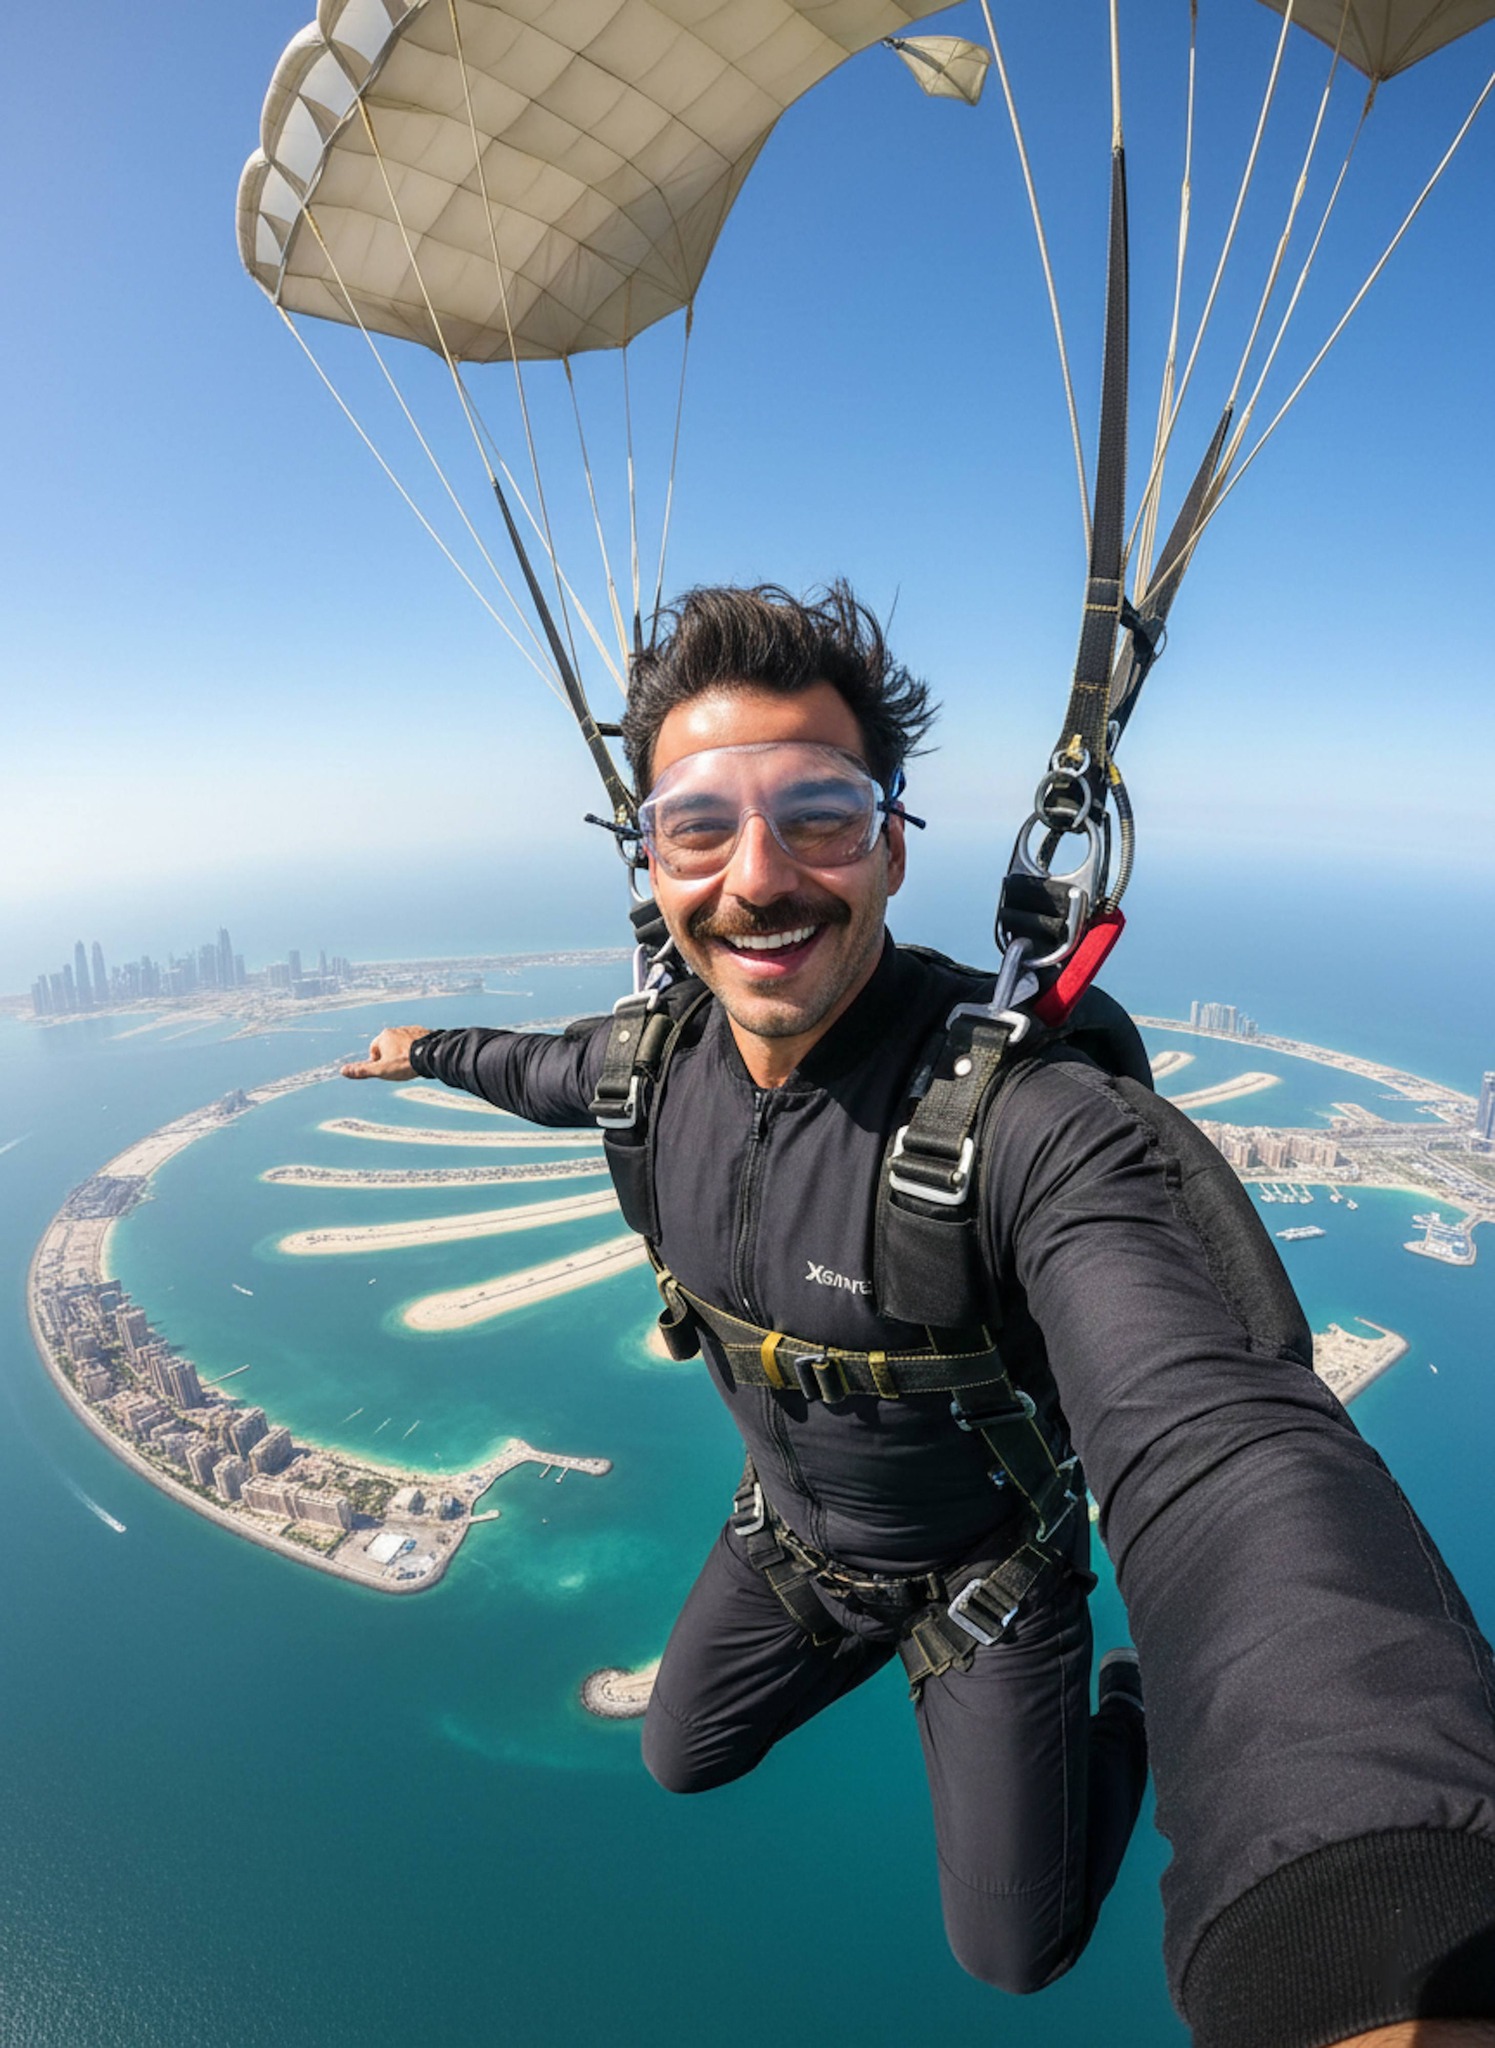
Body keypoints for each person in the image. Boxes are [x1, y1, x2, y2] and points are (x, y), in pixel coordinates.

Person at [345, 585, 1495, 2046]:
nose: (757, 877)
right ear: (653, 862)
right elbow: (531, 1066)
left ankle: (1121, 1707)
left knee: (1018, 1954)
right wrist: (422, 1048)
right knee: (678, 1753)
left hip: (979, 1577)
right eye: (701, 823)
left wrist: (1378, 1902)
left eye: (818, 813)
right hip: (795, 1541)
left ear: (893, 845)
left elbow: (1219, 1441)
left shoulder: (1029, 1123)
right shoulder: (647, 1068)